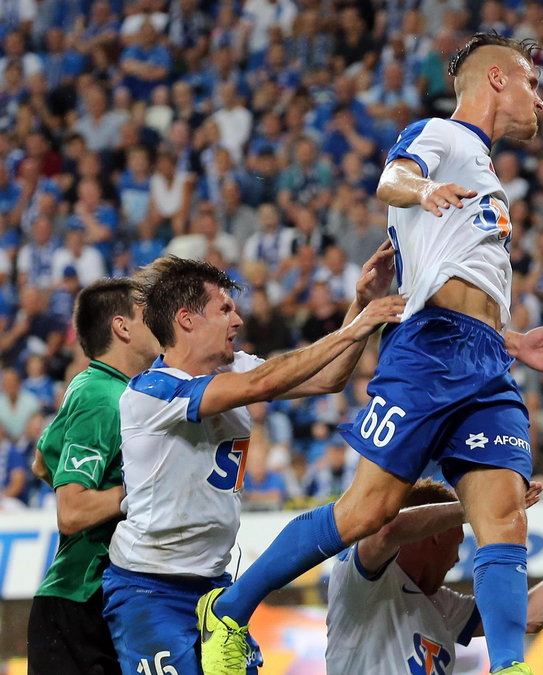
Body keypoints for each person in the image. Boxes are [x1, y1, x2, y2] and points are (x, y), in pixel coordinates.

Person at [198, 34, 543, 675]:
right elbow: (394, 176)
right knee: (368, 512)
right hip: (428, 350)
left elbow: (457, 271)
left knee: (503, 518)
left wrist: (514, 340)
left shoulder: (488, 174)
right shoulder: (443, 134)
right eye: (532, 83)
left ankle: (511, 666)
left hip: (487, 359)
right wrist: (420, 191)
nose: (541, 99)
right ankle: (229, 609)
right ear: (496, 80)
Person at [103, 251, 406, 675]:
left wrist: (360, 304)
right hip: (149, 589)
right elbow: (263, 384)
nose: (237, 320)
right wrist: (357, 326)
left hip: (215, 589)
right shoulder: (150, 393)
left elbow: (330, 377)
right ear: (187, 319)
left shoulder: (237, 367)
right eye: (224, 309)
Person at [325, 480, 543, 674]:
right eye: (459, 538)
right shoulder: (360, 580)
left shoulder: (440, 604)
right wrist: (478, 510)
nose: (457, 556)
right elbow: (388, 530)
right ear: (435, 534)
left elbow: (528, 616)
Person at [27, 278, 161, 675]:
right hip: (79, 601)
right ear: (121, 328)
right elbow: (71, 512)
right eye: (145, 315)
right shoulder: (102, 398)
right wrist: (136, 490)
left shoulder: (91, 384)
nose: (158, 322)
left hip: (93, 600)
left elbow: (41, 461)